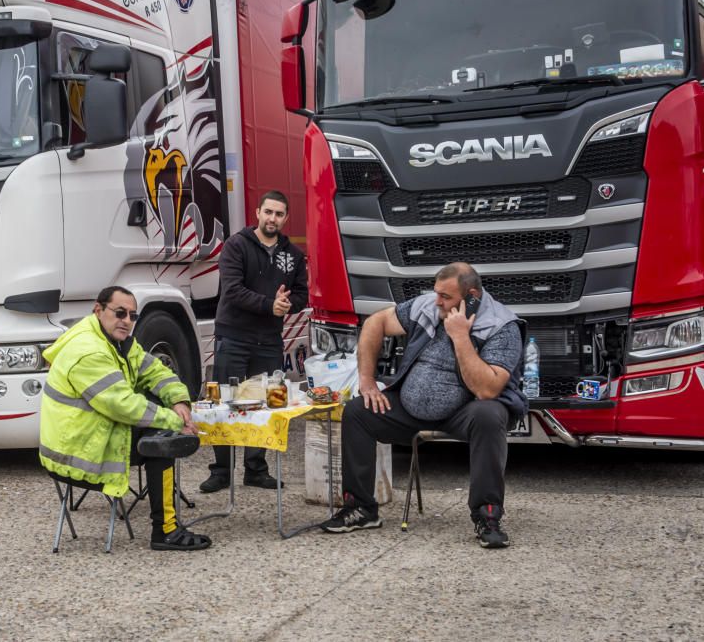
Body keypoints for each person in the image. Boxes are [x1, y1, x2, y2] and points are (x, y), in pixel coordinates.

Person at [320, 262, 527, 548]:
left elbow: (487, 389)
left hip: (464, 411)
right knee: (357, 412)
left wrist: (460, 337)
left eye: (446, 297)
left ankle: (487, 515)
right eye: (436, 293)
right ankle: (361, 508)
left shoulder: (502, 325)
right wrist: (367, 381)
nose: (437, 302)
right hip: (410, 409)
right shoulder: (428, 306)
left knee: (490, 414)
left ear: (472, 296)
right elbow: (375, 323)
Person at [39, 286, 212, 551]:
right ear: (98, 310)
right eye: (120, 313)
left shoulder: (119, 343)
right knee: (163, 442)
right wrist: (176, 422)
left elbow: (155, 370)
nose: (127, 321)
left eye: (133, 316)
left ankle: (167, 526)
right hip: (78, 450)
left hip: (93, 435)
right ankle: (165, 531)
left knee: (158, 419)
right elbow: (124, 406)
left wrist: (178, 401)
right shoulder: (89, 351)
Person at [199, 190, 308, 493]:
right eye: (268, 212)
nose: (273, 218)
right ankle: (220, 471)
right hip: (233, 336)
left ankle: (256, 470)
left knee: (264, 405)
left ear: (286, 218)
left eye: (279, 214)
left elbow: (302, 294)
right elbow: (232, 290)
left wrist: (288, 305)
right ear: (258, 213)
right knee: (223, 403)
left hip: (269, 341)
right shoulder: (236, 246)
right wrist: (267, 305)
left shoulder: (294, 256)